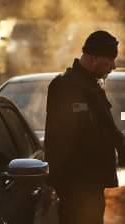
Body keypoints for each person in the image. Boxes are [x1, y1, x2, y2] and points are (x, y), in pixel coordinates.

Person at [44, 30, 125, 224]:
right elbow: (58, 138)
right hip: (76, 186)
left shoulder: (93, 87)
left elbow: (109, 129)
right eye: (109, 61)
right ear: (93, 58)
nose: (113, 66)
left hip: (92, 185)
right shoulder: (64, 87)